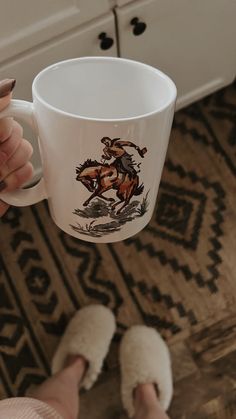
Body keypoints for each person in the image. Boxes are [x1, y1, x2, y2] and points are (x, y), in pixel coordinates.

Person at [0, 79, 172, 419]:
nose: (109, 150)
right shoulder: (112, 153)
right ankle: (147, 400)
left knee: (50, 411)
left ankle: (73, 369)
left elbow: (129, 153)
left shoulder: (124, 152)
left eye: (112, 147)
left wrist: (130, 155)